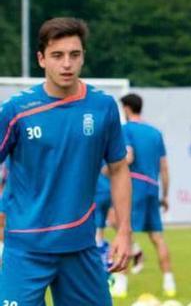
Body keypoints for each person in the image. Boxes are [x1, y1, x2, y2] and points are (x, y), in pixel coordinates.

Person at [0, 17, 132, 305]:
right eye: (57, 56)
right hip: (25, 249)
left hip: (80, 247)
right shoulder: (15, 110)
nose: (67, 64)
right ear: (41, 59)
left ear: (83, 56)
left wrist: (124, 231)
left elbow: (119, 168)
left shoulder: (103, 106)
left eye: (75, 55)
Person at [109, 93, 175, 298]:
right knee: (157, 237)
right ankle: (169, 282)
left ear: (127, 109)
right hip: (152, 187)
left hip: (134, 185)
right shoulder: (155, 133)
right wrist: (165, 195)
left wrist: (108, 168)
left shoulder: (125, 129)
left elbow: (128, 157)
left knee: (125, 233)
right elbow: (164, 168)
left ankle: (120, 284)